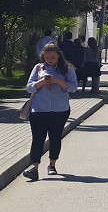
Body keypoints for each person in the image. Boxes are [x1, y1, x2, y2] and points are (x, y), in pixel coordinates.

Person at [22, 43, 78, 181]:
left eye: (53, 57)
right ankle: (34, 168)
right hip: (39, 109)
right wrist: (41, 82)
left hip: (60, 110)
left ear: (58, 56)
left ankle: (52, 164)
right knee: (38, 139)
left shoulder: (67, 69)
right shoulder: (38, 68)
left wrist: (57, 80)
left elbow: (73, 87)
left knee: (55, 137)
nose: (50, 59)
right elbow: (29, 88)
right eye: (47, 57)